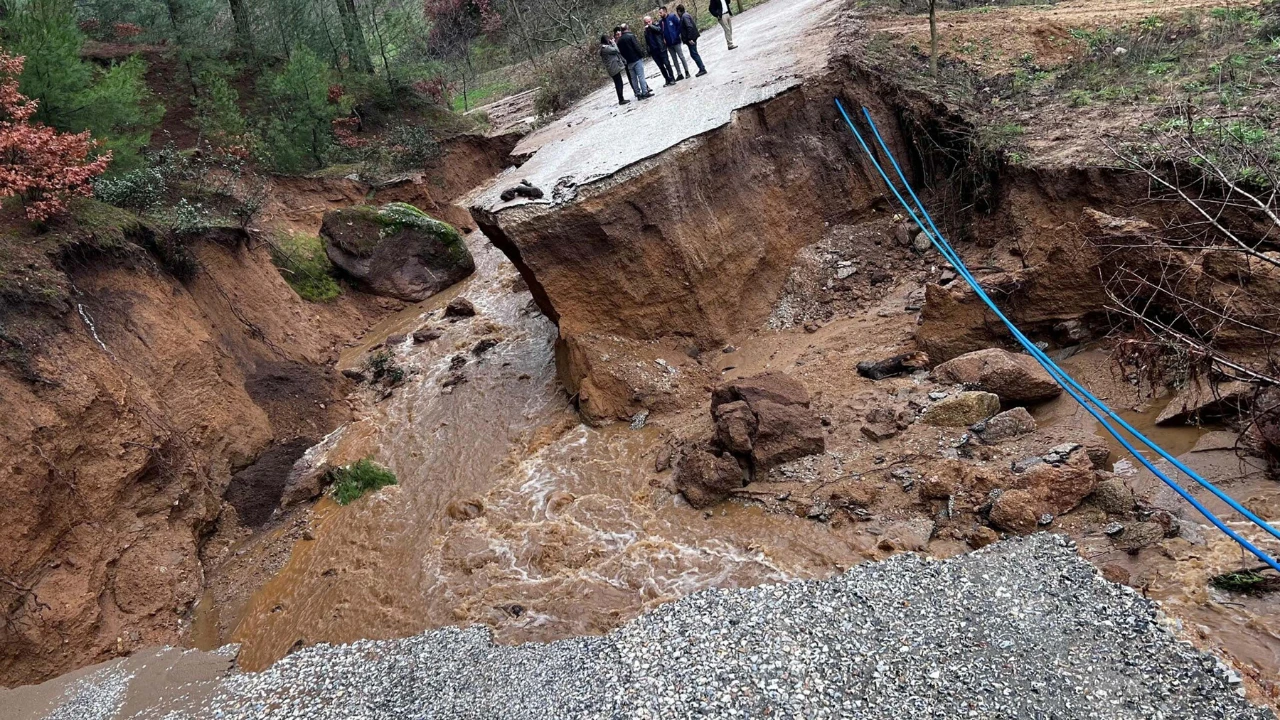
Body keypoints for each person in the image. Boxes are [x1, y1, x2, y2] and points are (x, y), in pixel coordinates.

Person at [617, 24, 653, 99]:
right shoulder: (631, 36)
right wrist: (642, 54)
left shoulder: (619, 41)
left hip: (628, 61)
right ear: (627, 28)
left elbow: (621, 52)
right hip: (636, 59)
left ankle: (637, 94)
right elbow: (636, 46)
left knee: (633, 79)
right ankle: (645, 92)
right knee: (641, 76)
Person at [643, 15, 676, 86]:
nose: (648, 23)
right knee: (661, 67)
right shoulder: (646, 31)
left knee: (667, 64)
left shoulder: (656, 25)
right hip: (654, 52)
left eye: (649, 21)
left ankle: (672, 78)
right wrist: (648, 50)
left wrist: (650, 26)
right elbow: (647, 42)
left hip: (662, 49)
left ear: (651, 20)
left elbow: (659, 30)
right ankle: (667, 79)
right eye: (646, 22)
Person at [599, 34, 630, 105]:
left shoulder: (603, 48)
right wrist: (613, 43)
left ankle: (621, 98)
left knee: (618, 83)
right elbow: (616, 50)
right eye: (608, 39)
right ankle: (621, 99)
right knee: (619, 83)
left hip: (612, 68)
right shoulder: (605, 48)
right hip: (613, 68)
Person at [660, 6, 689, 81]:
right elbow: (661, 32)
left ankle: (687, 71)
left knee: (681, 56)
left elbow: (679, 26)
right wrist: (664, 39)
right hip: (669, 44)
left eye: (661, 12)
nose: (659, 14)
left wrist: (676, 35)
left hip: (676, 41)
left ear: (665, 11)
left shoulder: (672, 17)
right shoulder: (661, 22)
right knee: (674, 59)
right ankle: (679, 74)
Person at [677, 5, 707, 76]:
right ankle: (701, 68)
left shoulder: (684, 17)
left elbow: (689, 27)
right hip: (690, 38)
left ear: (679, 11)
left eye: (677, 12)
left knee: (694, 54)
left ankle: (702, 69)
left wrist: (690, 38)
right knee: (693, 53)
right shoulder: (685, 15)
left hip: (691, 39)